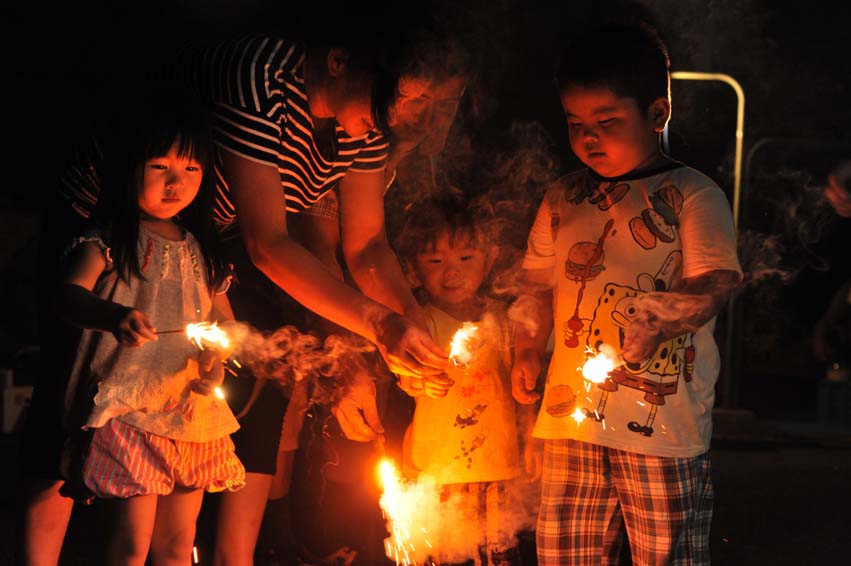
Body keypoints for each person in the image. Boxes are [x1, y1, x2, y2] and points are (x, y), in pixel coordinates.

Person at [510, 22, 742, 565]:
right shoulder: (563, 197)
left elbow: (714, 282)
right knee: (564, 554)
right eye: (575, 124)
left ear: (657, 114)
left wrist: (664, 315)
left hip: (663, 432)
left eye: (607, 122)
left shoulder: (692, 194)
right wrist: (524, 348)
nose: (589, 138)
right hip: (571, 426)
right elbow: (534, 285)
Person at [56, 87, 246, 565]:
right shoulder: (109, 239)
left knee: (179, 545)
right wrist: (113, 316)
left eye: (191, 169)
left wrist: (216, 361)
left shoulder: (205, 249)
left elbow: (222, 322)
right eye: (160, 166)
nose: (176, 182)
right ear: (129, 165)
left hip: (191, 412)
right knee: (129, 546)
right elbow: (68, 295)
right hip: (130, 409)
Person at [392, 192, 538, 566]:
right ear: (413, 269)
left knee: (499, 555)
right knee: (438, 555)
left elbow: (523, 390)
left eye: (465, 258)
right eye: (435, 260)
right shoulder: (416, 322)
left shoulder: (505, 323)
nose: (451, 271)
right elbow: (404, 377)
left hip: (498, 469)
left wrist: (533, 439)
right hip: (435, 471)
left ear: (488, 260)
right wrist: (419, 381)